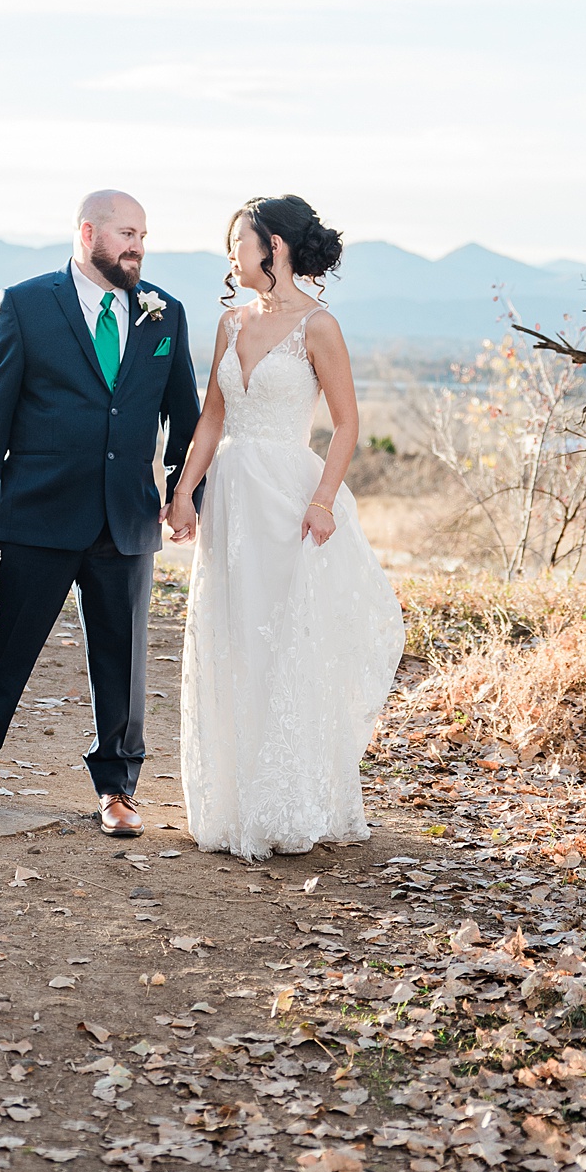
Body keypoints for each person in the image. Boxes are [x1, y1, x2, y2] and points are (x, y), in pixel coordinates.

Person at [0, 189, 201, 836]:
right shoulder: (25, 304)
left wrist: (186, 489)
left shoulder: (166, 314)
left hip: (126, 518)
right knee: (0, 649)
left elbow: (184, 417)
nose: (137, 245)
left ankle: (117, 788)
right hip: (36, 513)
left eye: (143, 234)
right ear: (88, 232)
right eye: (126, 232)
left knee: (124, 660)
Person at [166, 194, 404, 860]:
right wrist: (186, 489)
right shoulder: (229, 323)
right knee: (232, 635)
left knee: (285, 639)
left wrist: (324, 498)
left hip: (288, 498)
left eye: (238, 241)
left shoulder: (319, 326)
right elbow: (212, 417)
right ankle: (234, 797)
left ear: (274, 247)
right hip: (232, 499)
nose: (230, 254)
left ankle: (292, 797)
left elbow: (347, 421)